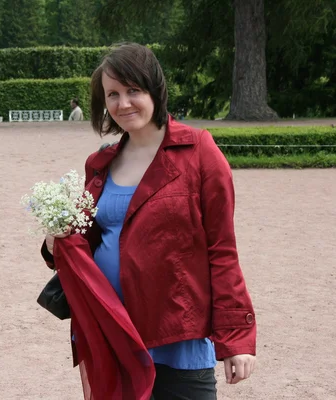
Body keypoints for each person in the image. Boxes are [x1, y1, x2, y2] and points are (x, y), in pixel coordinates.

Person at [41, 43, 256, 399]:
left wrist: (236, 339)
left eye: (133, 91)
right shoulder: (99, 163)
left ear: (155, 88)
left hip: (177, 337)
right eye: (113, 94)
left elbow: (222, 251)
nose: (123, 103)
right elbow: (87, 241)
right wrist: (54, 243)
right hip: (113, 333)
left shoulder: (199, 152)